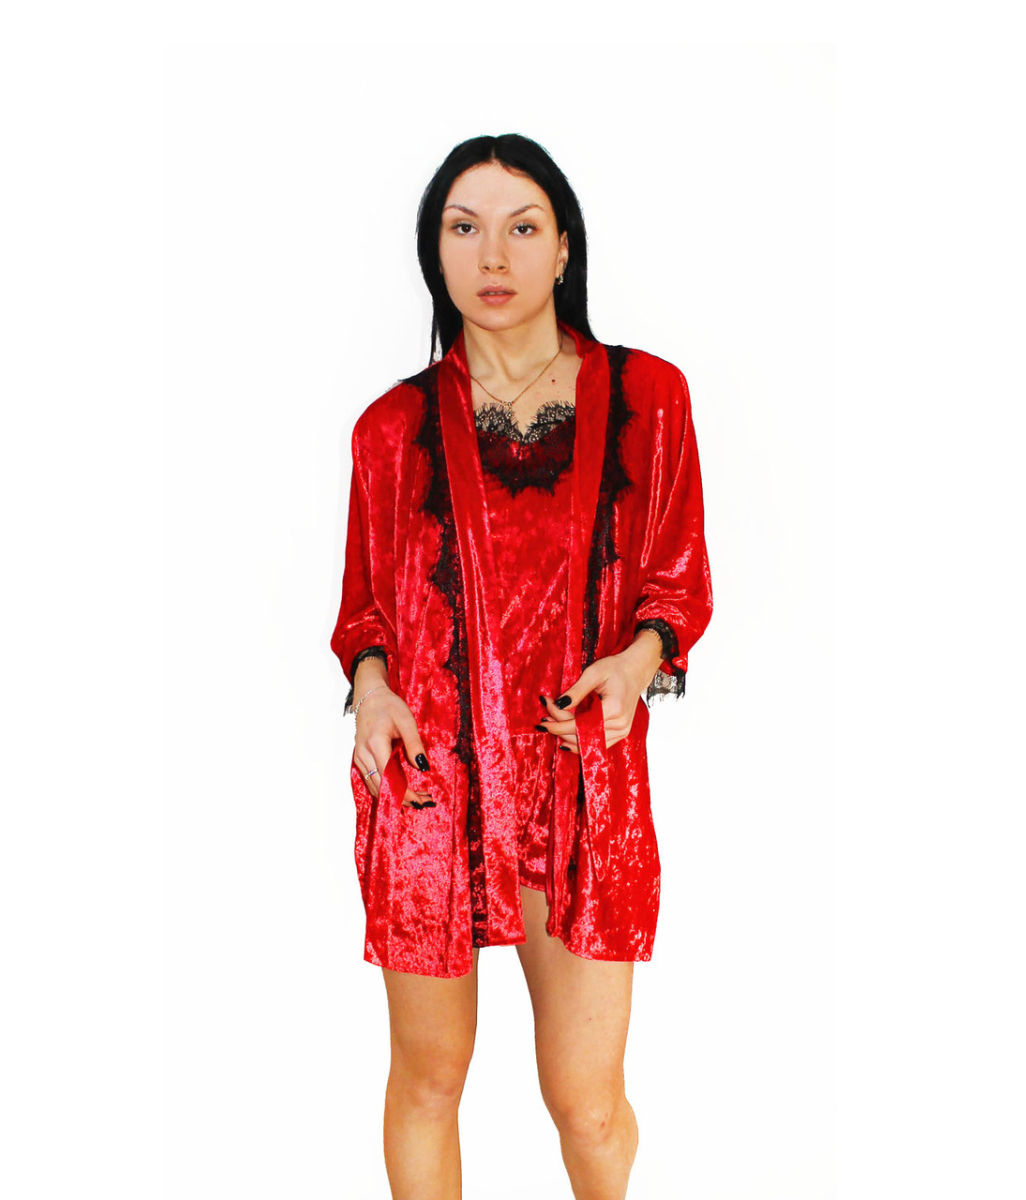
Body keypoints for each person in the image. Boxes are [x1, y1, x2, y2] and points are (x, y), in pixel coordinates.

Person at [330, 133, 713, 1199]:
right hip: (432, 782)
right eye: (464, 228)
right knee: (427, 1079)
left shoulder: (650, 398)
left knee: (586, 1100)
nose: (492, 255)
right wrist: (371, 689)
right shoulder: (390, 429)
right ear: (435, 251)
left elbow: (677, 581)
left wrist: (638, 662)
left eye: (522, 227)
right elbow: (365, 613)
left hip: (579, 774)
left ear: (564, 247)